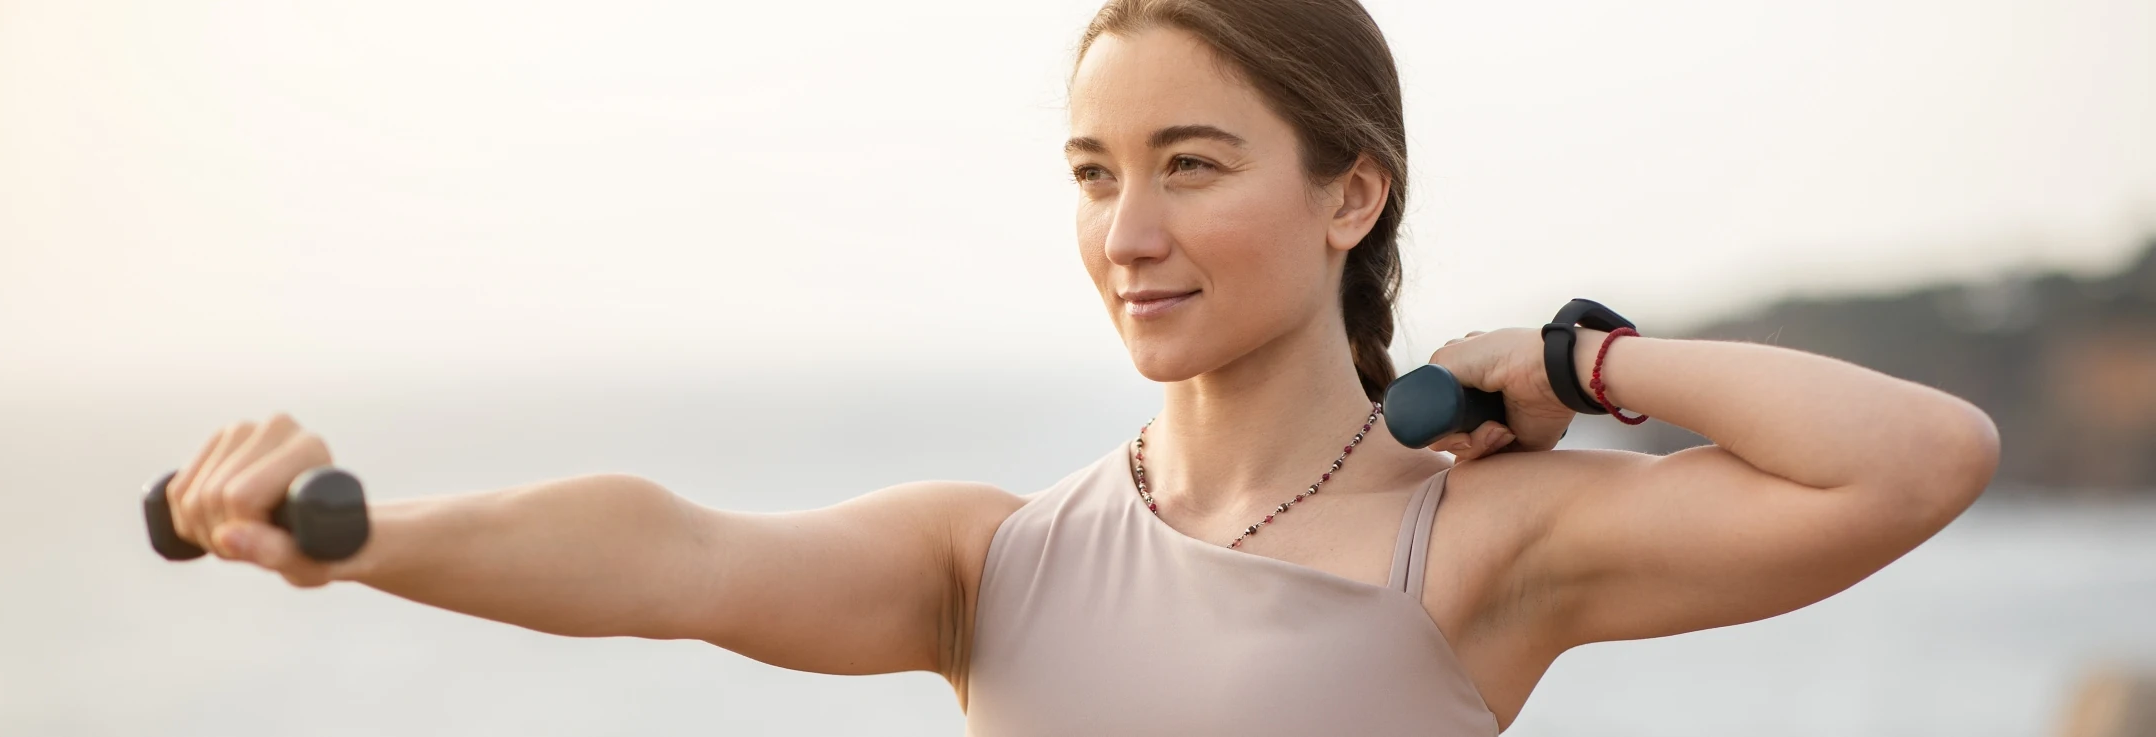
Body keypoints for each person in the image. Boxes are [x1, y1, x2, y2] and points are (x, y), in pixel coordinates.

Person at [156, 0, 2002, 733]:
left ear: (1351, 191)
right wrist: (366, 536)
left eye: (1192, 167)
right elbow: (672, 558)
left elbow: (1919, 457)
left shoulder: (1487, 547)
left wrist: (1582, 364)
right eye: (1095, 174)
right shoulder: (995, 564)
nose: (1129, 229)